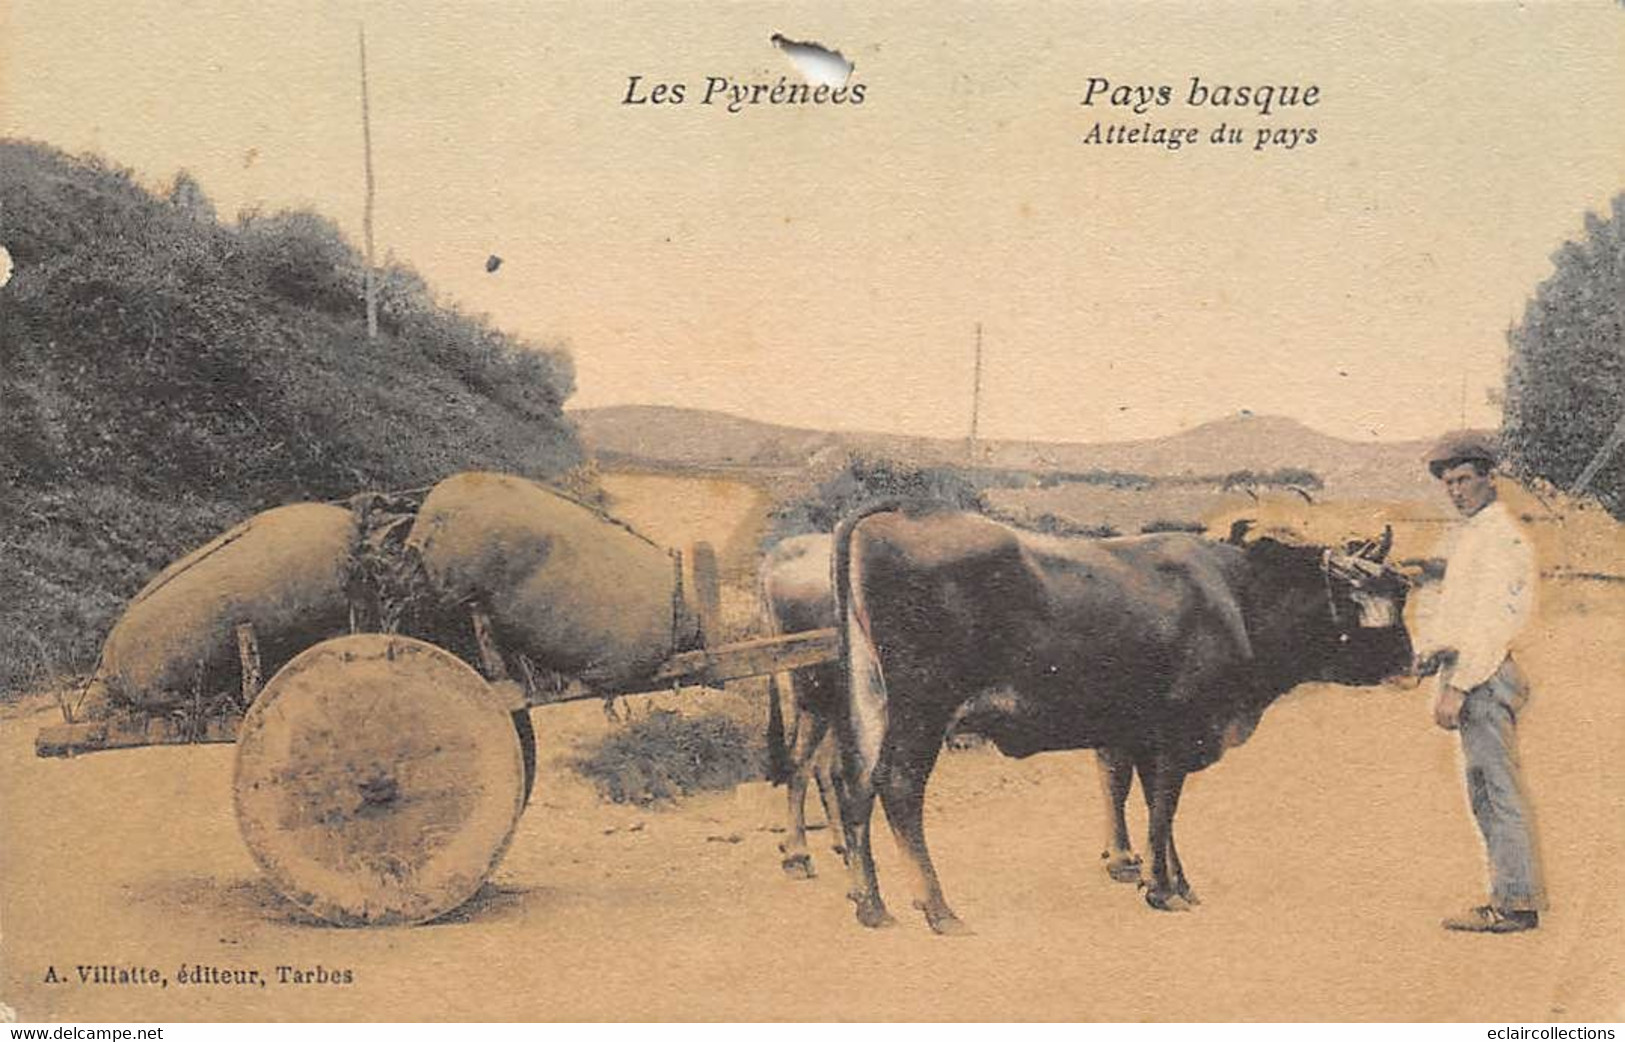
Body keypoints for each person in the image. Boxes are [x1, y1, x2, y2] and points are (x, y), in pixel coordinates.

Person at [1412, 430, 1545, 933]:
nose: (1456, 490)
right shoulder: (1475, 535)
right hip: (1472, 670)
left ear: (1490, 479)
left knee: (1497, 790)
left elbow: (1493, 623)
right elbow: (1463, 614)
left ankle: (1515, 904)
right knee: (1485, 792)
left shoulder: (1502, 538)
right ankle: (1509, 896)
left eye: (1465, 479)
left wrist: (1459, 686)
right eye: (1449, 483)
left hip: (1486, 676)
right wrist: (1434, 654)